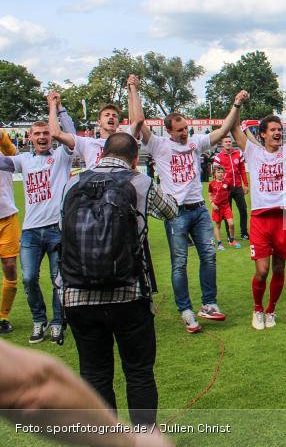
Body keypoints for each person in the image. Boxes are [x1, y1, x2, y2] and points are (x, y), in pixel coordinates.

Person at [60, 132, 177, 428]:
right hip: (128, 292)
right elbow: (171, 210)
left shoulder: (73, 182)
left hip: (77, 293)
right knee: (138, 372)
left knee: (94, 374)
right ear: (135, 158)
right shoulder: (139, 181)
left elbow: (66, 229)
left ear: (101, 154)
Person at [129, 75, 243, 332]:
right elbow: (138, 122)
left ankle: (209, 304)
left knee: (209, 256)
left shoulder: (195, 143)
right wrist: (133, 88)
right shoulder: (158, 145)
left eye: (186, 128)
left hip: (199, 209)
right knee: (179, 262)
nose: (184, 133)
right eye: (179, 130)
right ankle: (186, 309)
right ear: (168, 130)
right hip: (175, 213)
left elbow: (223, 130)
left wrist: (235, 104)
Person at [0, 94, 74, 344]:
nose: (42, 137)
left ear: (51, 135)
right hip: (31, 231)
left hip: (57, 228)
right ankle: (38, 319)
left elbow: (71, 132)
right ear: (29, 138)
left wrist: (58, 107)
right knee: (29, 278)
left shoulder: (62, 156)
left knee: (58, 280)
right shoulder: (23, 160)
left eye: (46, 133)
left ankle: (56, 323)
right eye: (37, 134)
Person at [0, 339, 172, 446]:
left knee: (96, 373)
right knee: (138, 371)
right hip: (129, 300)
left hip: (79, 302)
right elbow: (37, 388)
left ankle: (105, 442)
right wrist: (131, 441)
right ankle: (144, 432)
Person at [231, 90, 286, 329]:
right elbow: (233, 130)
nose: (277, 133)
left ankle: (271, 310)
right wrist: (238, 104)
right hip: (261, 219)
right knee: (262, 271)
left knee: (279, 267)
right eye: (272, 130)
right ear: (262, 135)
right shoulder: (253, 153)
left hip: (284, 216)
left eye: (279, 129)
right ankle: (257, 310)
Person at [48, 96, 121, 170]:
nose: (111, 117)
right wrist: (54, 105)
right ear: (99, 122)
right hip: (96, 180)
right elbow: (56, 133)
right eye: (107, 115)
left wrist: (132, 87)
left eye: (114, 116)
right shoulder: (87, 143)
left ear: (118, 123)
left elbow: (134, 122)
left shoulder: (126, 142)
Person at [0, 129, 20, 334]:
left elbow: (12, 153)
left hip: (7, 217)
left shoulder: (3, 147)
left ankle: (3, 316)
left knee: (9, 266)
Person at [212, 136, 250, 240]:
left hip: (238, 187)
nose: (228, 143)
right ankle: (230, 235)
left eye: (230, 141)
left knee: (243, 209)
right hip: (225, 189)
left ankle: (244, 232)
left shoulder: (239, 154)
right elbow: (216, 174)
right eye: (226, 142)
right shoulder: (218, 157)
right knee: (227, 212)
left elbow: (242, 170)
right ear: (222, 144)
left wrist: (245, 184)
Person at [207, 164, 240, 250]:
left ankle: (232, 240)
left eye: (222, 172)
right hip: (217, 208)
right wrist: (213, 204)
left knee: (231, 224)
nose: (220, 174)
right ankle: (220, 243)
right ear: (214, 173)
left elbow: (229, 191)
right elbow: (210, 195)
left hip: (226, 207)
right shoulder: (211, 184)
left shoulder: (227, 183)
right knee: (217, 225)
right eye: (218, 172)